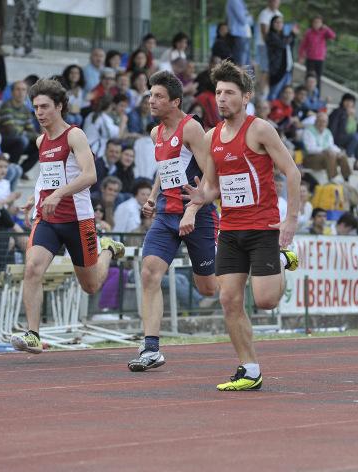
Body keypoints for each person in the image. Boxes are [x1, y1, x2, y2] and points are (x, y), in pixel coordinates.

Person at [183, 60, 300, 390]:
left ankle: (279, 260)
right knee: (228, 300)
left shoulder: (259, 129)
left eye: (229, 93)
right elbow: (212, 185)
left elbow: (292, 172)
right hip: (230, 229)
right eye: (218, 92)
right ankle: (249, 369)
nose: (221, 99)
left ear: (246, 96)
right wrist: (199, 198)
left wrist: (290, 220)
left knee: (265, 301)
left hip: (263, 226)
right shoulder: (210, 136)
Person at [10, 79, 125, 354]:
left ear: (59, 106)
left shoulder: (75, 135)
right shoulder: (41, 140)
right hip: (48, 219)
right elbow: (47, 178)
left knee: (91, 285)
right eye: (36, 107)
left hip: (78, 220)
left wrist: (59, 194)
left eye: (45, 107)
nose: (39, 112)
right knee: (32, 268)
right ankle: (33, 334)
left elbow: (90, 175)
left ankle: (107, 248)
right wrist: (34, 198)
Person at [126, 70, 220, 372]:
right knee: (149, 274)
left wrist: (193, 210)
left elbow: (210, 172)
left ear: (175, 101)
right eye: (150, 95)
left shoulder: (191, 128)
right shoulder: (156, 133)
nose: (151, 100)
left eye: (158, 96)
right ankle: (151, 348)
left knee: (208, 288)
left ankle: (261, 260)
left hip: (198, 214)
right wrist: (153, 196)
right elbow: (165, 168)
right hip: (167, 214)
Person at [0, 80, 39, 177]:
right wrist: (27, 134)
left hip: (20, 141)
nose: (21, 92)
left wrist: (38, 137)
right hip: (4, 141)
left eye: (23, 90)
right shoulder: (6, 106)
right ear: (12, 92)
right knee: (22, 140)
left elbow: (32, 131)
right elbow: (12, 131)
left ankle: (20, 171)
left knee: (41, 143)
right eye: (18, 89)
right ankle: (11, 169)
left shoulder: (25, 110)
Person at [303, 111, 351, 181]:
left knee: (342, 155)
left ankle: (346, 179)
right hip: (310, 159)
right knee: (330, 154)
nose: (322, 124)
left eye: (324, 122)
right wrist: (325, 150)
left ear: (327, 123)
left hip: (325, 159)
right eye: (320, 121)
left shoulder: (327, 132)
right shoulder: (308, 131)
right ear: (316, 121)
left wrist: (339, 152)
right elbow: (310, 149)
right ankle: (332, 179)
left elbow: (331, 145)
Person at [298, 15, 335, 91]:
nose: (316, 24)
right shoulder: (309, 32)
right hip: (310, 58)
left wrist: (327, 28)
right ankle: (306, 93)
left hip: (320, 59)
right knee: (309, 76)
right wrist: (301, 56)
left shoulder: (324, 32)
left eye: (318, 22)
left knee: (318, 78)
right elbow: (303, 45)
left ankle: (316, 94)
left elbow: (333, 36)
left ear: (321, 23)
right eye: (315, 22)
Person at [328, 93, 358, 170]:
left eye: (351, 102)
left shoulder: (350, 114)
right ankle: (346, 159)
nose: (348, 103)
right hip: (337, 138)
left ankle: (356, 162)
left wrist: (351, 117)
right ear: (343, 101)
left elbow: (352, 130)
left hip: (346, 137)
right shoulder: (337, 112)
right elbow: (332, 127)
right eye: (347, 101)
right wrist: (331, 141)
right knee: (356, 137)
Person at [266, 15, 298, 100]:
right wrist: (292, 34)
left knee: (284, 97)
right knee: (273, 95)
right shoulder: (271, 35)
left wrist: (293, 36)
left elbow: (290, 45)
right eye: (276, 22)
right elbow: (282, 44)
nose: (279, 24)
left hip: (287, 70)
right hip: (277, 71)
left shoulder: (284, 36)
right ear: (272, 24)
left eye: (281, 22)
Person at [225, 0, 253, 66]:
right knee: (241, 64)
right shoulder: (235, 1)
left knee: (246, 64)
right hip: (239, 34)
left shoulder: (240, 1)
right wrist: (250, 18)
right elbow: (243, 20)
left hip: (243, 35)